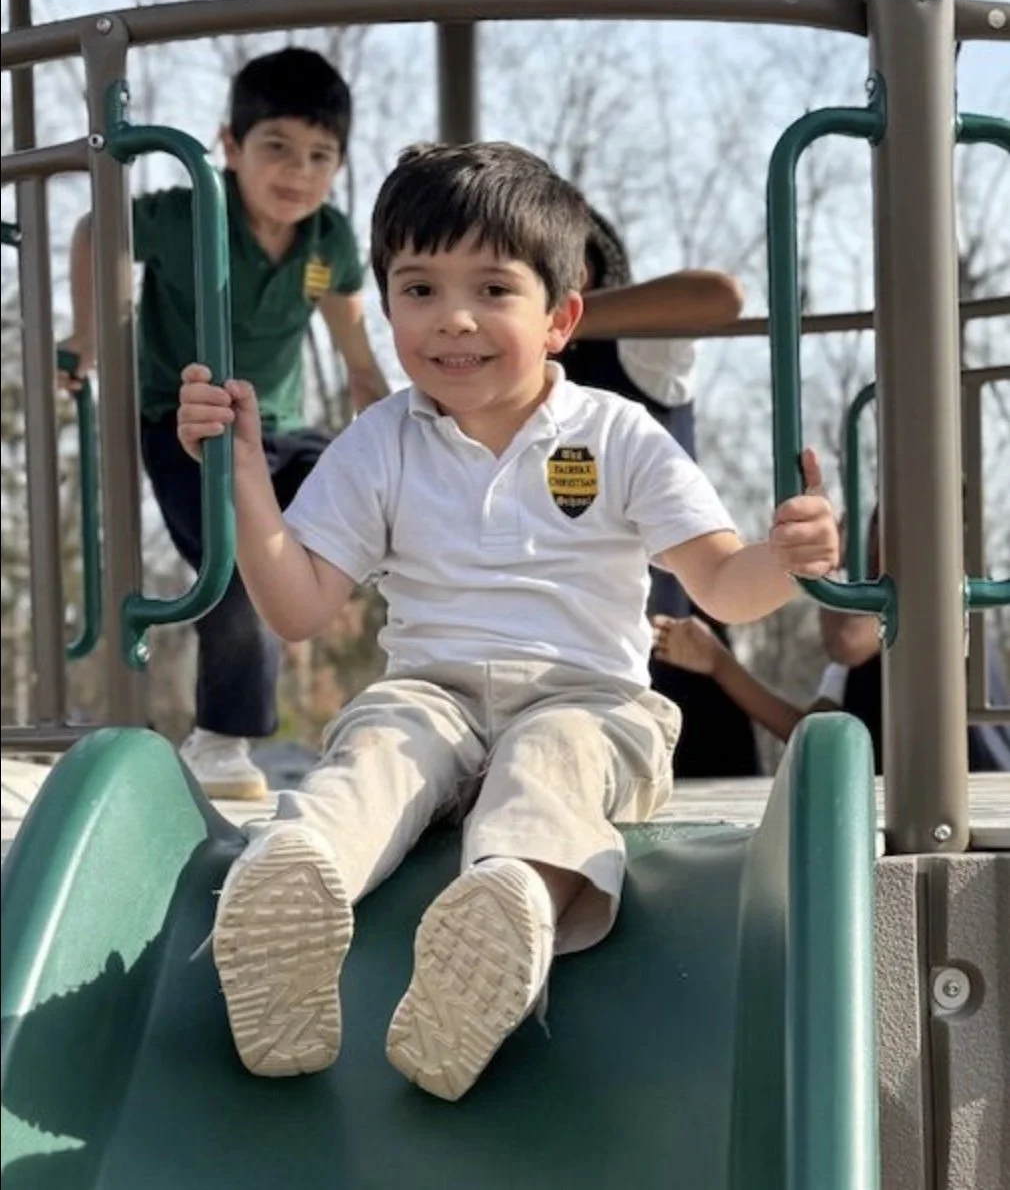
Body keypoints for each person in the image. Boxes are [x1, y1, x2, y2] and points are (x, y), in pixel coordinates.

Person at [178, 141, 840, 1102]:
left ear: (562, 316)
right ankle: (290, 885)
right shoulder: (382, 441)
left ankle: (504, 919)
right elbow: (301, 605)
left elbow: (723, 588)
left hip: (587, 696)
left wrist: (785, 557)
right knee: (378, 750)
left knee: (552, 766)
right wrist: (246, 477)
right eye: (418, 289)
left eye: (492, 289)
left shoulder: (614, 433)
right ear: (389, 302)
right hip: (431, 693)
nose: (453, 319)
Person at [60, 47, 389, 801]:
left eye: (319, 156)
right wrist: (89, 333)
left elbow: (345, 318)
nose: (297, 172)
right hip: (191, 429)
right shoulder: (188, 214)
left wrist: (370, 381)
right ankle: (220, 737)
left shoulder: (326, 240)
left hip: (283, 429)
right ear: (230, 146)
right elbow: (92, 231)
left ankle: (410, 711)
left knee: (368, 508)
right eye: (276, 147)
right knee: (240, 563)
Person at [561, 208, 761, 776]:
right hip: (561, 672)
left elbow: (719, 297)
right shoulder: (492, 383)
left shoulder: (633, 349)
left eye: (561, 261)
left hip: (669, 665)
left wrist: (555, 316)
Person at [653, 504, 1010, 772]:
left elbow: (846, 643)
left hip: (979, 800)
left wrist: (823, 566)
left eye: (883, 532)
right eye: (873, 531)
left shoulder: (940, 592)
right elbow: (810, 731)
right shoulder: (866, 640)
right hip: (894, 805)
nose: (872, 545)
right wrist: (720, 664)